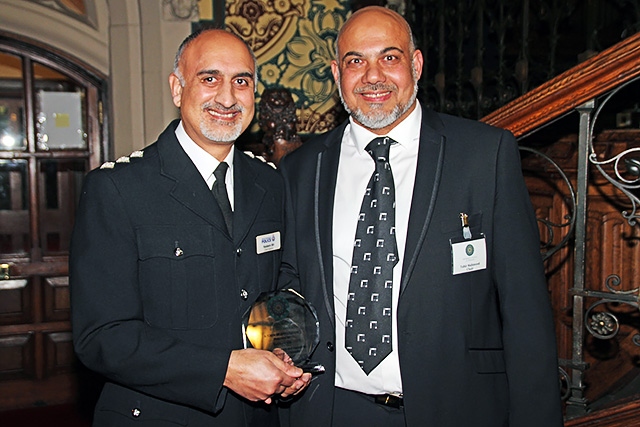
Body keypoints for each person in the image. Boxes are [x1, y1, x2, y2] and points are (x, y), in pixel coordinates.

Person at [278, 6, 563, 427]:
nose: (372, 76)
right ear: (337, 75)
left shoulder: (484, 155)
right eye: (356, 61)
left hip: (457, 408)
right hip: (332, 409)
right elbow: (290, 287)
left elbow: (525, 309)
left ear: (415, 64)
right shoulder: (301, 170)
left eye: (389, 58)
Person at [70, 28, 310, 427]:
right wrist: (222, 370)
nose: (228, 97)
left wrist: (283, 353)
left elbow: (278, 283)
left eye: (242, 82)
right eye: (209, 78)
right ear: (177, 89)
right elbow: (102, 336)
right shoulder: (117, 189)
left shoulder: (269, 182)